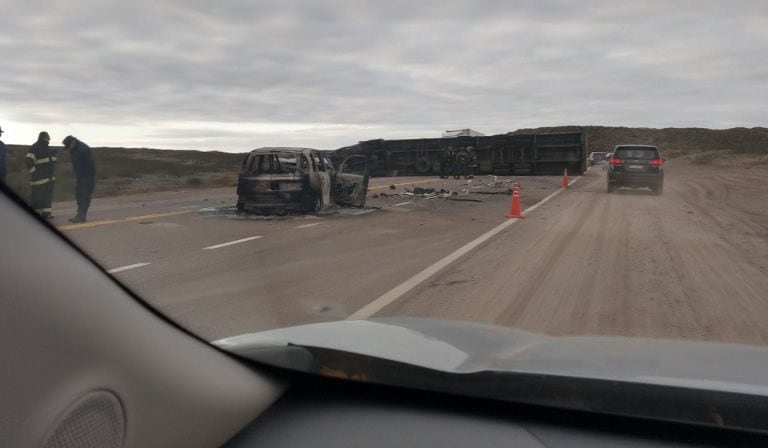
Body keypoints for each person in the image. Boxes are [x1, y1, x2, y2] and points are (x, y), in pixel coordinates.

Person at [62, 135, 96, 223]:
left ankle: (81, 216)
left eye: (68, 146)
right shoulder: (74, 149)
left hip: (87, 176)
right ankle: (79, 215)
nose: (68, 149)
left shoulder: (83, 149)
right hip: (80, 176)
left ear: (73, 142)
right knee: (79, 195)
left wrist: (87, 175)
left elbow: (90, 164)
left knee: (84, 195)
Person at [25, 132, 57, 218]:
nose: (49, 139)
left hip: (49, 178)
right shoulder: (35, 147)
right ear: (43, 138)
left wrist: (54, 156)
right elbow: (28, 161)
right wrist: (34, 172)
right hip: (39, 179)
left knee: (47, 197)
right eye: (47, 138)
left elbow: (51, 162)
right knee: (37, 197)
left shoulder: (48, 148)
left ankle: (46, 213)